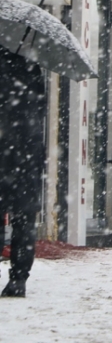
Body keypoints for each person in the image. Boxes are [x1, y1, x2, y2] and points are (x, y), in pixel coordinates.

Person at [0, 47, 45, 297]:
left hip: (8, 154)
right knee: (23, 221)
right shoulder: (31, 68)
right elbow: (39, 111)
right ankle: (19, 278)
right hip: (27, 157)